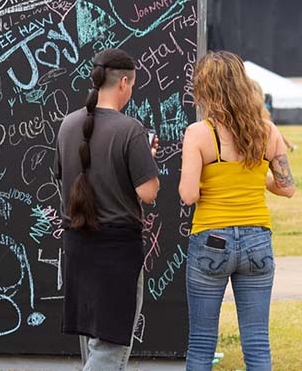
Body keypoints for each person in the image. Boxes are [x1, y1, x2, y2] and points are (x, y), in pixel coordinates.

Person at [179, 51, 295, 371]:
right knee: (257, 343)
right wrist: (257, 176)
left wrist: (211, 182)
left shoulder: (199, 133)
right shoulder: (267, 131)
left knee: (201, 344)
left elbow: (188, 195)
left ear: (206, 89)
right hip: (258, 240)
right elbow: (287, 187)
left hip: (211, 240)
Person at [54, 48, 159, 370]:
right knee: (110, 348)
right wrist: (148, 158)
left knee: (92, 341)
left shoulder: (68, 125)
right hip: (116, 251)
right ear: (124, 82)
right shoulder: (130, 130)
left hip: (77, 245)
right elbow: (148, 192)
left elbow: (62, 175)